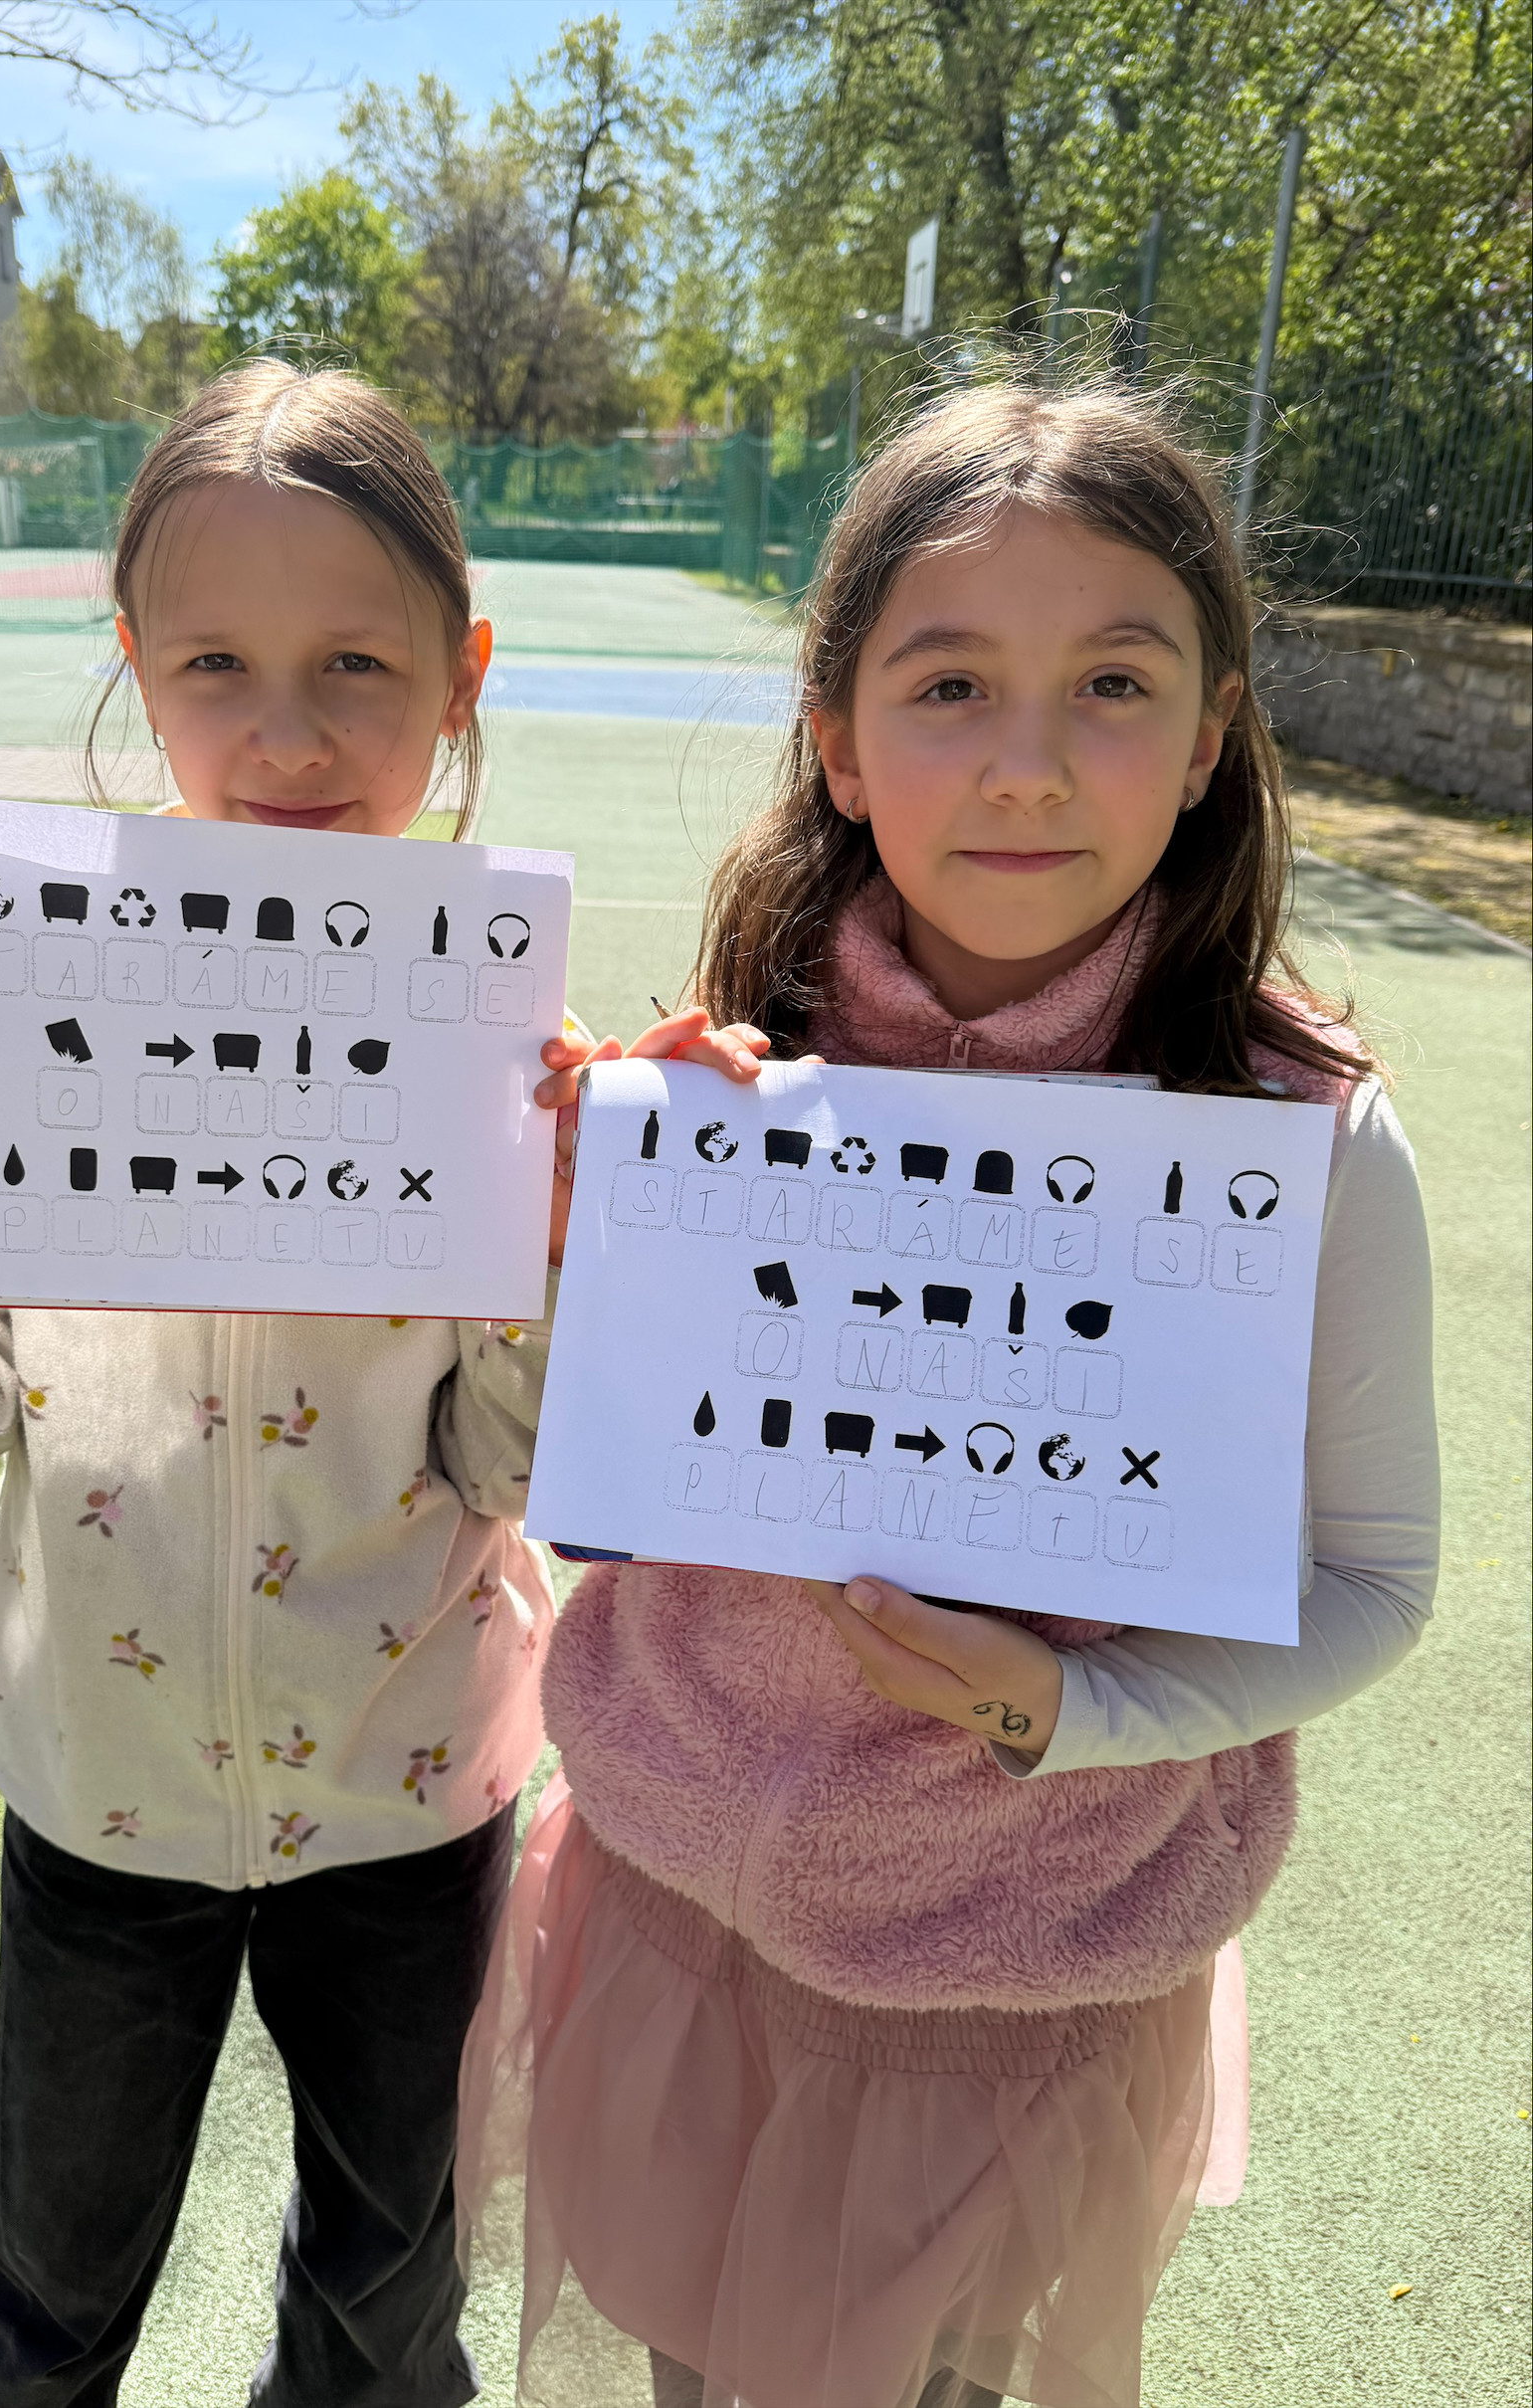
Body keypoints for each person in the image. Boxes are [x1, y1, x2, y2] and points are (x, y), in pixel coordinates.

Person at [456, 383, 1440, 2408]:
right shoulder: (724, 1079)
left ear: (1208, 736)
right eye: (948, 685)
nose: (1025, 763)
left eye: (1110, 684)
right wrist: (569, 1261)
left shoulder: (1310, 1140)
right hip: (669, 1918)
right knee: (684, 2365)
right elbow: (584, 1490)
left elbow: (1370, 1582)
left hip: (1019, 1990)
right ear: (836, 735)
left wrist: (1063, 1712)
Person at [0, 359, 613, 2408]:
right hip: (98, 1794)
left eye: (356, 663)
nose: (287, 735)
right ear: (134, 664)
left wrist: (568, 1258)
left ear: (461, 678)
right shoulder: (4, 1003)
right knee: (41, 2288)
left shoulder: (500, 1042)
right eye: (216, 662)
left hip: (413, 1798)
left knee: (385, 2296)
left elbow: (506, 1455)